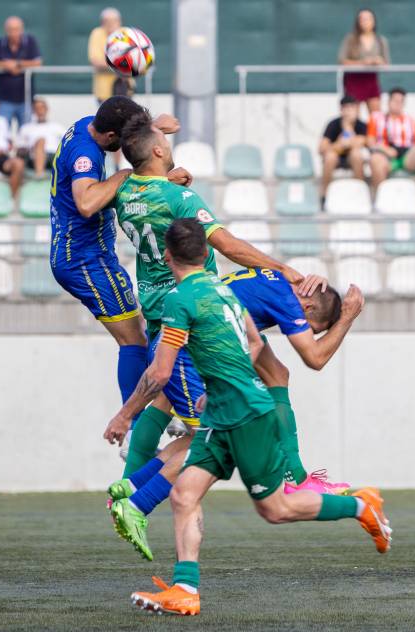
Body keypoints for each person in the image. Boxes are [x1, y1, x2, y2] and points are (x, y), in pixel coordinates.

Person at [103, 219, 391, 615]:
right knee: (184, 495)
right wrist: (222, 382)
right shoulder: (221, 291)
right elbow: (255, 342)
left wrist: (123, 416)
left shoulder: (190, 296)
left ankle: (361, 506)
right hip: (226, 407)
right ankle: (185, 588)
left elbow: (160, 373)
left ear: (168, 257)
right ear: (207, 256)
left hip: (243, 414)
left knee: (275, 510)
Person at [104, 114, 337, 559]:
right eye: (163, 144)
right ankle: (135, 498)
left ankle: (132, 483)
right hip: (190, 316)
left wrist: (152, 132)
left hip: (159, 309)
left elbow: (139, 169)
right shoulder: (180, 197)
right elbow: (227, 244)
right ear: (156, 150)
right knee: (202, 436)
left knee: (209, 401)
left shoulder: (127, 191)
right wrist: (284, 268)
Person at [48, 95, 186, 423]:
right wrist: (124, 174)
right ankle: (136, 423)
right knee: (135, 337)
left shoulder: (87, 124)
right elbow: (86, 201)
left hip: (87, 253)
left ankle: (153, 413)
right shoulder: (85, 153)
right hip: (83, 258)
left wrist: (151, 128)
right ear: (112, 139)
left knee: (141, 329)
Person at [0, 16, 42, 133]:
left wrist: (18, 64)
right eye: (10, 29)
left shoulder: (30, 41)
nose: (13, 33)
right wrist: (5, 65)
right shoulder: (0, 43)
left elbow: (38, 62)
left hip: (25, 98)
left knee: (26, 133)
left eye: (16, 29)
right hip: (4, 99)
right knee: (2, 133)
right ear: (6, 30)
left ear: (22, 29)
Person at [337, 8, 390, 114]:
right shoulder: (350, 39)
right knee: (353, 115)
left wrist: (378, 62)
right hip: (353, 81)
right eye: (362, 19)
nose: (366, 22)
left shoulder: (380, 40)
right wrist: (363, 63)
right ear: (358, 22)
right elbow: (342, 61)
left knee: (376, 116)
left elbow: (386, 63)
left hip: (371, 80)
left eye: (368, 19)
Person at [319, 95, 368, 202]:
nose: (348, 112)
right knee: (330, 157)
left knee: (356, 155)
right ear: (341, 110)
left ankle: (360, 193)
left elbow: (363, 142)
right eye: (346, 108)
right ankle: (325, 195)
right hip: (336, 157)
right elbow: (322, 148)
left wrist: (347, 129)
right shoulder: (333, 124)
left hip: (353, 158)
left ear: (356, 109)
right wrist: (339, 145)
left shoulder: (362, 125)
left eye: (351, 108)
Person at [17, 97, 65, 178]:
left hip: (53, 157)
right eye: (37, 108)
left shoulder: (57, 127)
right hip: (32, 157)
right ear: (34, 111)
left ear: (47, 109)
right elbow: (19, 150)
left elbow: (67, 143)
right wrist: (31, 147)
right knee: (40, 141)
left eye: (42, 108)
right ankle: (39, 176)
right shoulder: (26, 128)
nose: (40, 111)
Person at [88, 7, 127, 102]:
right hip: (104, 93)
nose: (110, 23)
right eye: (107, 21)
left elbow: (132, 61)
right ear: (102, 22)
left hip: (125, 89)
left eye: (114, 21)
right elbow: (96, 61)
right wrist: (120, 64)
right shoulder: (97, 33)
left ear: (119, 21)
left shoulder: (126, 33)